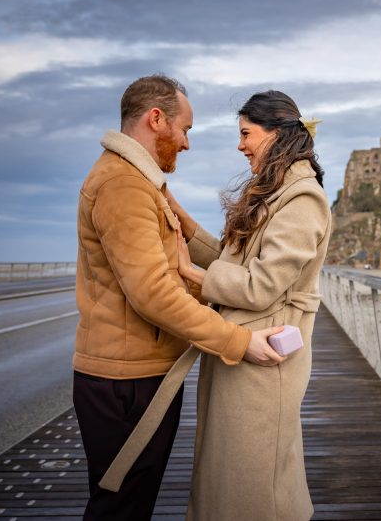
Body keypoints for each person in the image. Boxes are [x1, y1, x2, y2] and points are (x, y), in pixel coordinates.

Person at [73, 75, 284, 521]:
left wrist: (184, 227)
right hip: (125, 385)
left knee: (128, 503)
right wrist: (239, 343)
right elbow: (154, 295)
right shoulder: (124, 185)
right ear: (156, 120)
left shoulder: (139, 181)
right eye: (185, 129)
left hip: (136, 377)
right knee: (120, 509)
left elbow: (170, 267)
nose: (186, 144)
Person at [169, 90, 331, 520]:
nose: (240, 145)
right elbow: (234, 263)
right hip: (246, 349)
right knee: (236, 474)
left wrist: (194, 276)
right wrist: (185, 225)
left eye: (246, 134)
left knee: (253, 484)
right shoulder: (278, 191)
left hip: (265, 358)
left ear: (277, 134)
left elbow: (260, 286)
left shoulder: (302, 199)